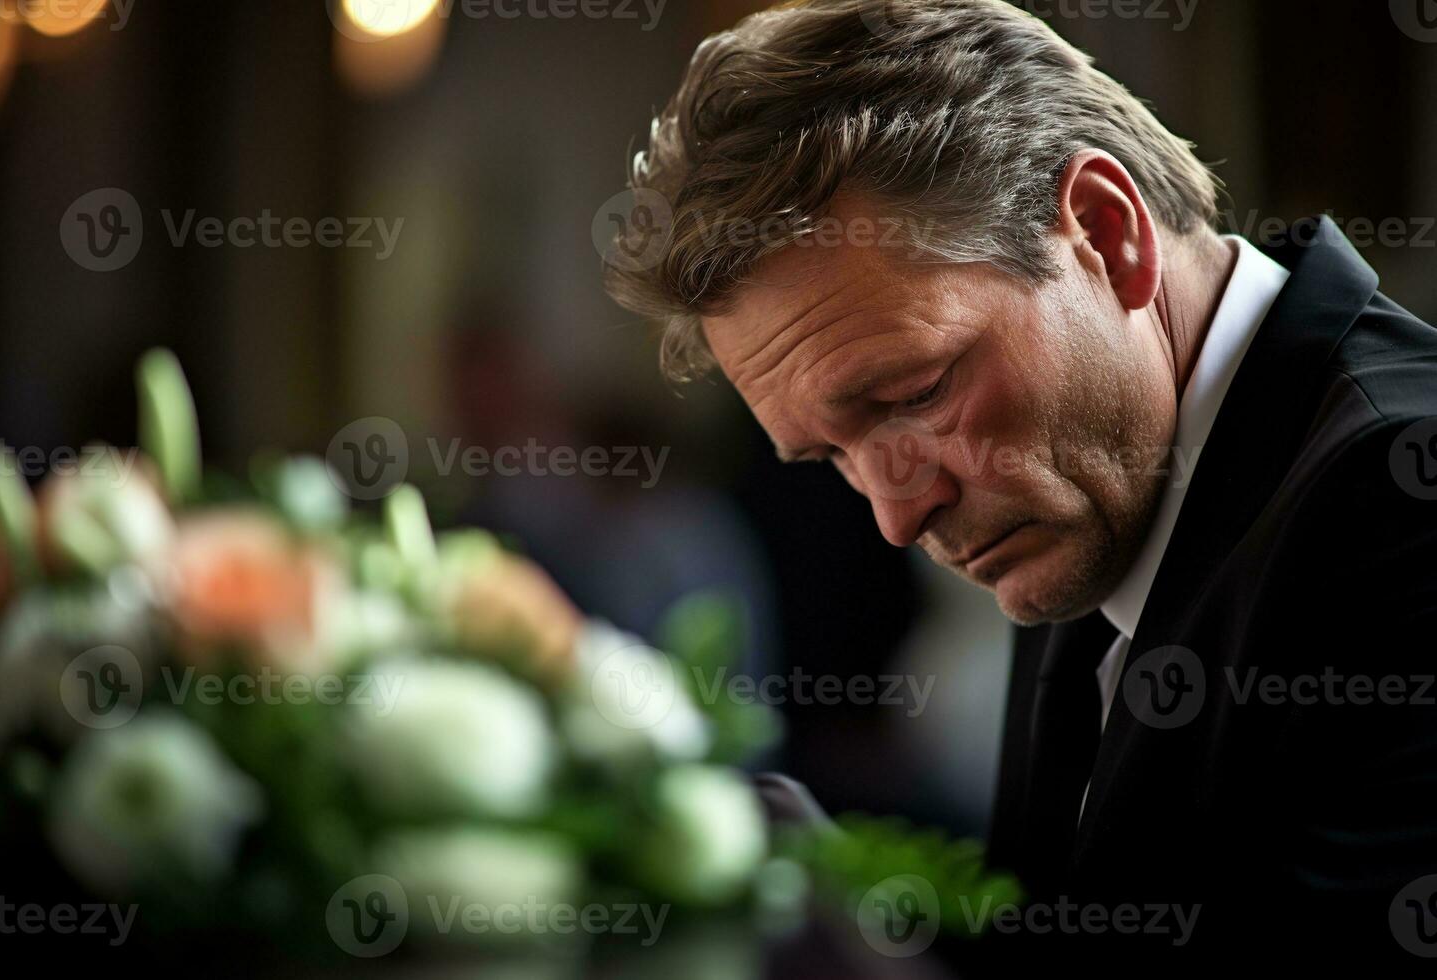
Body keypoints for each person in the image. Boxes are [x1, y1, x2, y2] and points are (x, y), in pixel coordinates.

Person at [601, 0, 1437, 967]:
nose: (898, 514)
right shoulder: (1105, 489)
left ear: (1105, 233)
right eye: (831, 456)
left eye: (916, 393)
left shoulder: (1401, 496)